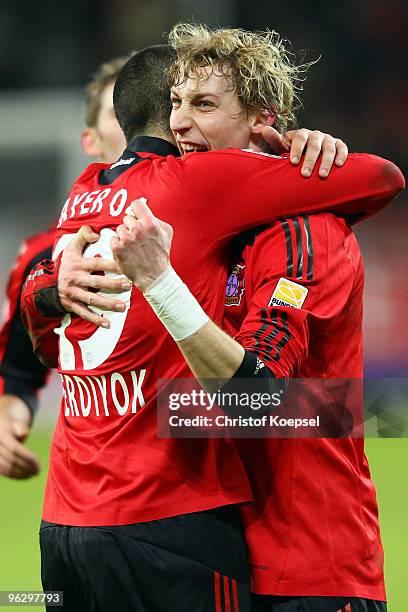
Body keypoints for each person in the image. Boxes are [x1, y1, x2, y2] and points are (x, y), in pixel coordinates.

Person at [21, 38, 403, 612]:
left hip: (310, 566)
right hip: (220, 547)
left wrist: (363, 411)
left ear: (260, 120)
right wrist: (53, 279)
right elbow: (53, 341)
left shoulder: (304, 230)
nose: (177, 122)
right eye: (175, 102)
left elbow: (267, 401)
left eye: (202, 104)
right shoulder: (192, 229)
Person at [0, 55, 130, 480]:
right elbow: (19, 370)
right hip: (93, 505)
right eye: (121, 109)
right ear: (90, 141)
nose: (139, 121)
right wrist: (8, 413)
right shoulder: (45, 259)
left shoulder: (230, 230)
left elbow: (272, 393)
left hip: (209, 493)